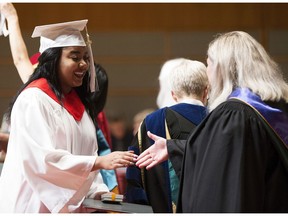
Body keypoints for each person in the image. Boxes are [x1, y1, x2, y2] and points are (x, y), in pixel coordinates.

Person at [138, 31, 288, 212]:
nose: (208, 74)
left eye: (208, 65)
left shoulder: (233, 114)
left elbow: (221, 169)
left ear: (223, 69)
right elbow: (225, 152)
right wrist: (174, 148)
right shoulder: (276, 106)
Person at [0, 19, 137, 213]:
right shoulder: (33, 100)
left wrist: (98, 193)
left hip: (69, 207)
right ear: (54, 60)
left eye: (85, 57)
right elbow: (43, 161)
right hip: (32, 204)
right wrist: (98, 162)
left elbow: (88, 158)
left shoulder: (80, 106)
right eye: (74, 57)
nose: (83, 64)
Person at [126, 58, 209, 213]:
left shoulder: (152, 122)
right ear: (206, 92)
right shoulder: (219, 120)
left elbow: (134, 177)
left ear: (173, 94)